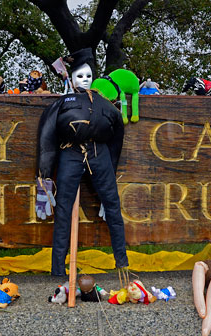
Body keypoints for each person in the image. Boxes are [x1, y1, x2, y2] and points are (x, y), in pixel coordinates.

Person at [35, 48, 129, 276]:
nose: (84, 80)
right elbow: (46, 139)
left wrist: (111, 169)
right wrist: (44, 177)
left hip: (100, 153)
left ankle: (122, 264)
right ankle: (58, 268)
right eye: (79, 76)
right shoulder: (62, 103)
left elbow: (117, 136)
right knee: (64, 209)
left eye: (88, 76)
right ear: (72, 77)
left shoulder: (106, 104)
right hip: (70, 154)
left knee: (113, 206)